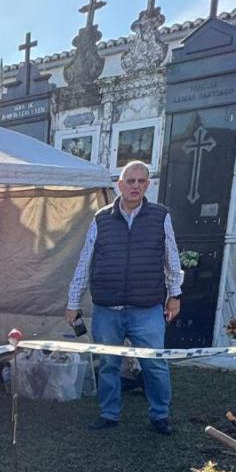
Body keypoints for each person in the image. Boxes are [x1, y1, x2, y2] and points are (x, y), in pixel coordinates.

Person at [64, 161, 182, 435]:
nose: (136, 186)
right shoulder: (101, 218)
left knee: (154, 364)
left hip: (147, 308)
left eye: (142, 181)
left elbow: (171, 259)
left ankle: (160, 416)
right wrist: (73, 302)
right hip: (108, 308)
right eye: (131, 181)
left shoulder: (160, 216)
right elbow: (85, 262)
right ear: (119, 183)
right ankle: (109, 414)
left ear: (147, 185)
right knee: (108, 364)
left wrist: (175, 295)